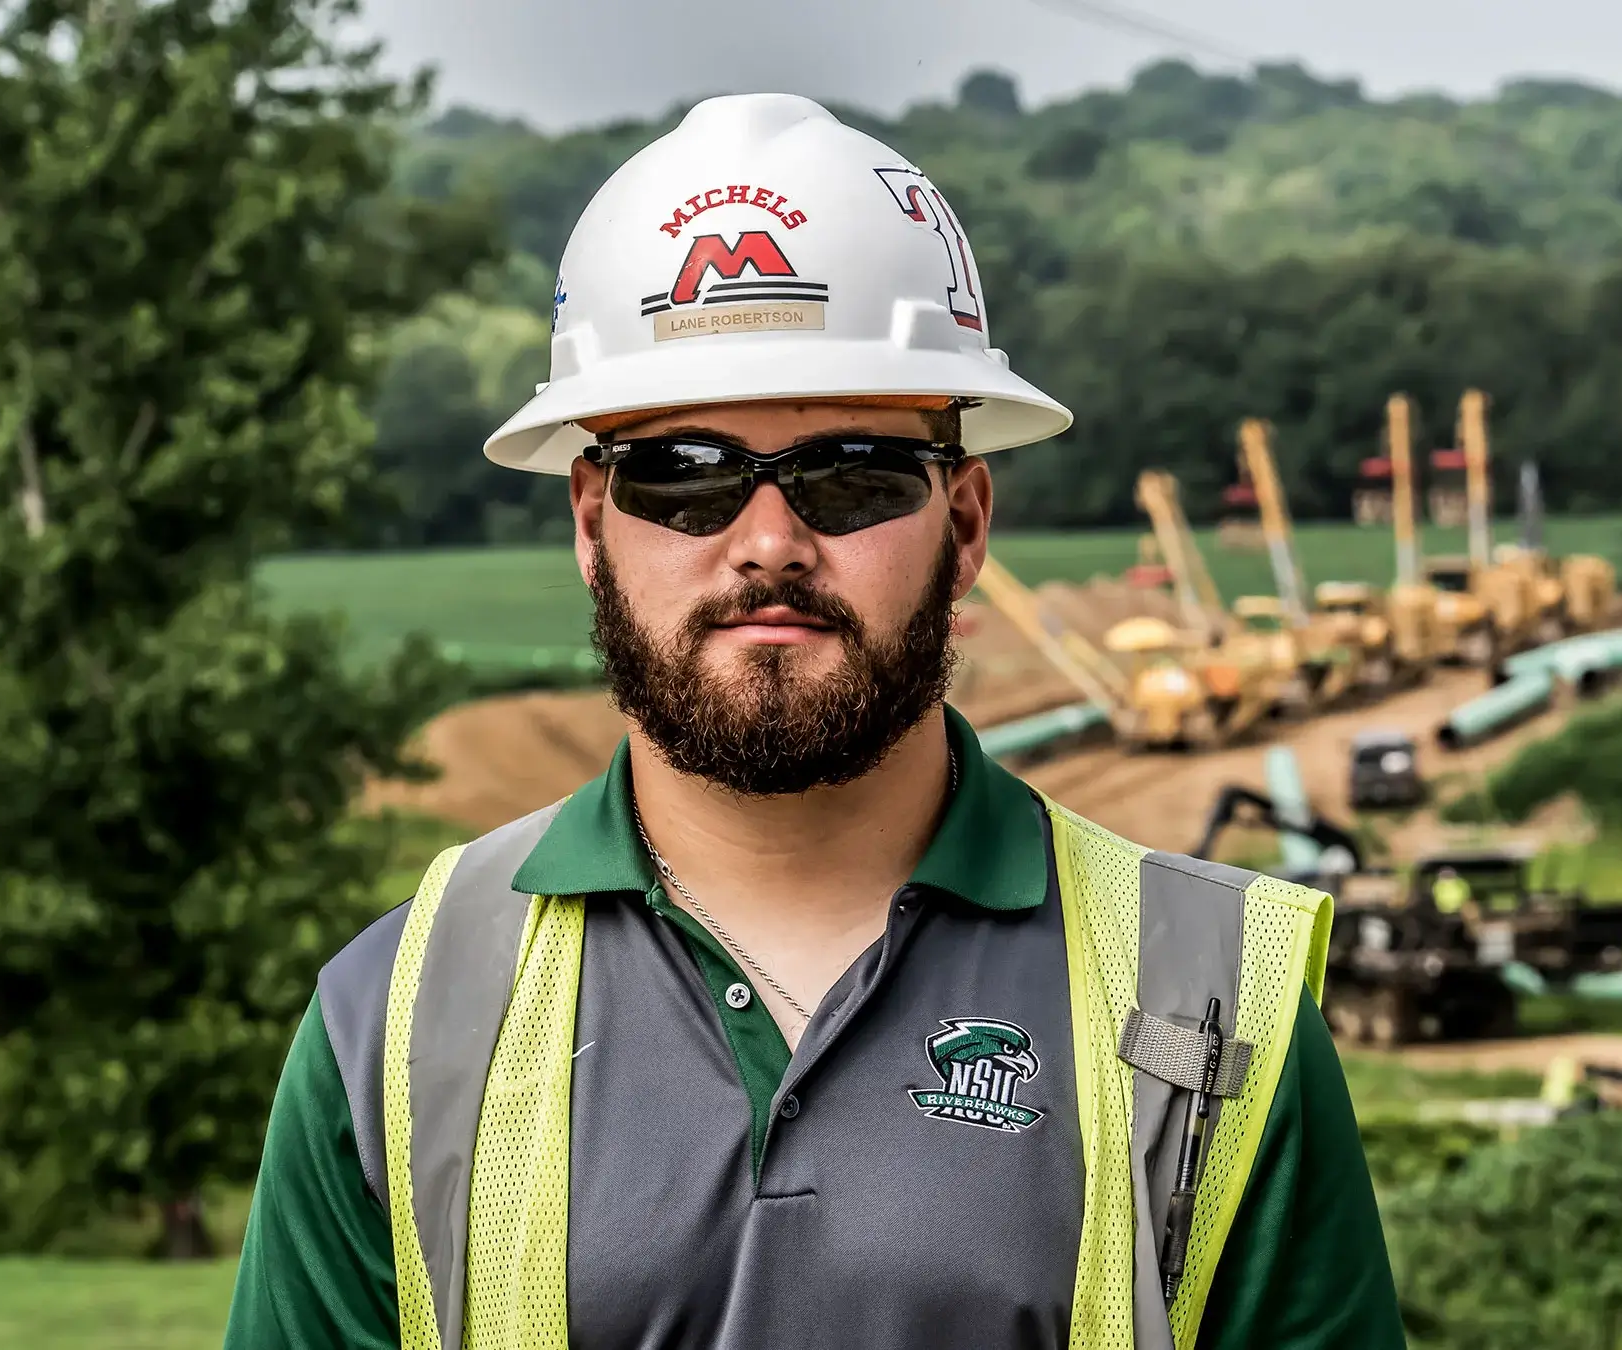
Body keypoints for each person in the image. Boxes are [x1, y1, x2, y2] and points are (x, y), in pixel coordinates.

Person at [223, 94, 1403, 1349]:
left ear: (965, 526)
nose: (770, 543)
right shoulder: (397, 1023)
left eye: (853, 473)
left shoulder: (1214, 1006)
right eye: (684, 474)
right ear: (588, 523)